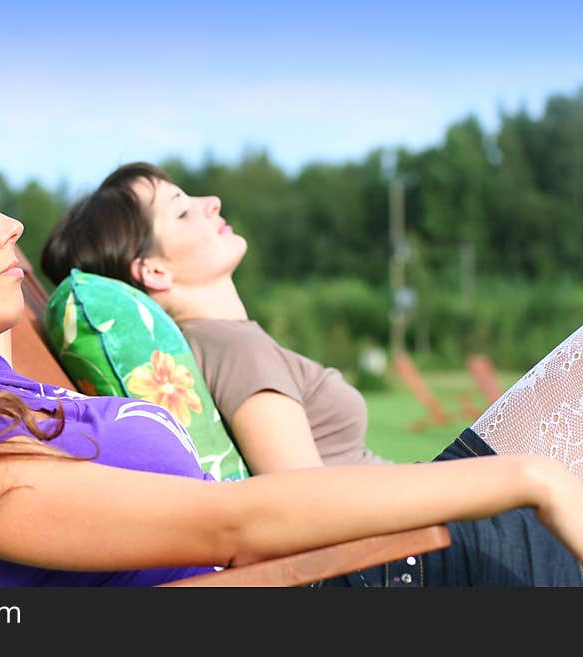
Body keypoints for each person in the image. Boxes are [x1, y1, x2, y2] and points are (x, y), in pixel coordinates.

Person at [0, 116, 583, 588]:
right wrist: (529, 480)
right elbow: (234, 527)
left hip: (387, 559)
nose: (10, 223)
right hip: (371, 579)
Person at [40, 163, 583, 481]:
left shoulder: (220, 345)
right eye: (182, 210)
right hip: (425, 539)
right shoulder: (233, 348)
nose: (211, 201)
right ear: (153, 269)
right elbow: (304, 494)